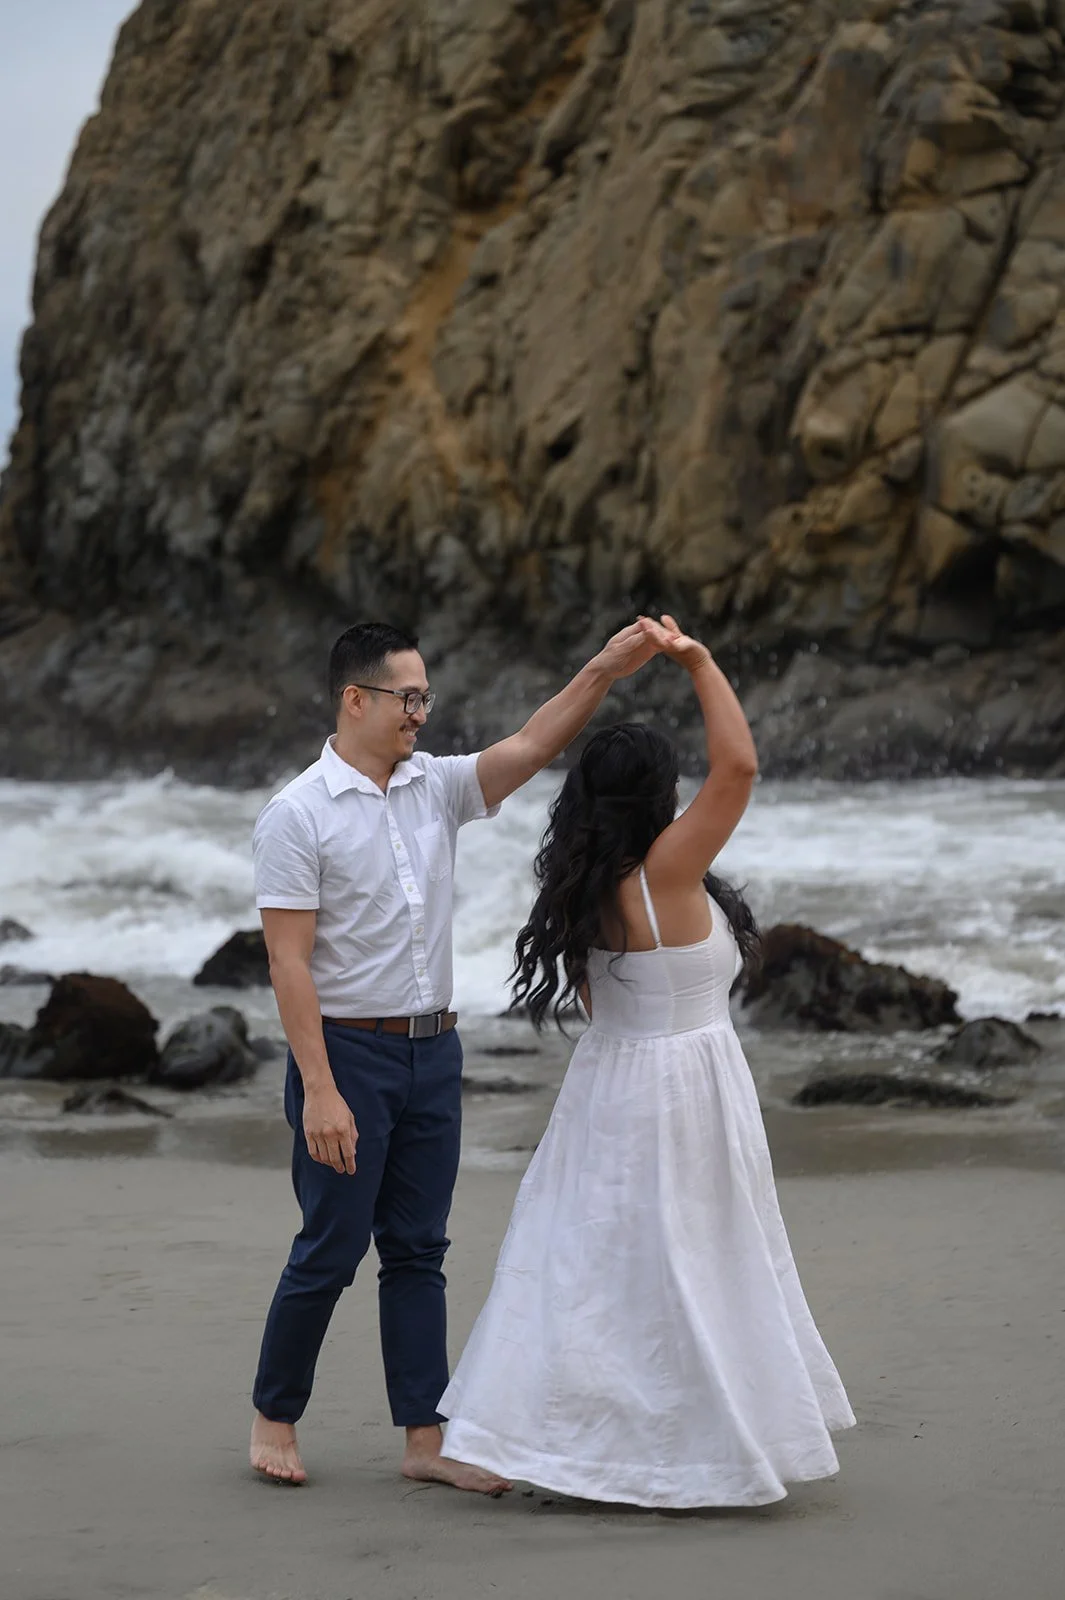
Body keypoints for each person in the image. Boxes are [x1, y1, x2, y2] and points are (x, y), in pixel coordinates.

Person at [439, 615, 856, 1508]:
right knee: (688, 1265)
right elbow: (738, 769)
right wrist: (701, 662)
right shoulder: (666, 870)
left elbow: (602, 1003)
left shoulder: (584, 888)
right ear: (660, 797)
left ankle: (587, 1443)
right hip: (682, 1086)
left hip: (613, 1085)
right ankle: (673, 1453)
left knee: (604, 1269)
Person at [248, 617, 662, 1491]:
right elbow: (288, 962)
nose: (420, 715)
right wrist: (318, 1090)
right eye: (407, 698)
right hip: (348, 1057)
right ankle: (274, 1418)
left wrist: (603, 670)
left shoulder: (434, 787)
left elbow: (532, 742)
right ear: (355, 699)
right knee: (330, 1246)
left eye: (425, 698)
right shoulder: (296, 815)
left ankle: (424, 1441)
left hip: (433, 1051)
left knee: (418, 1251)